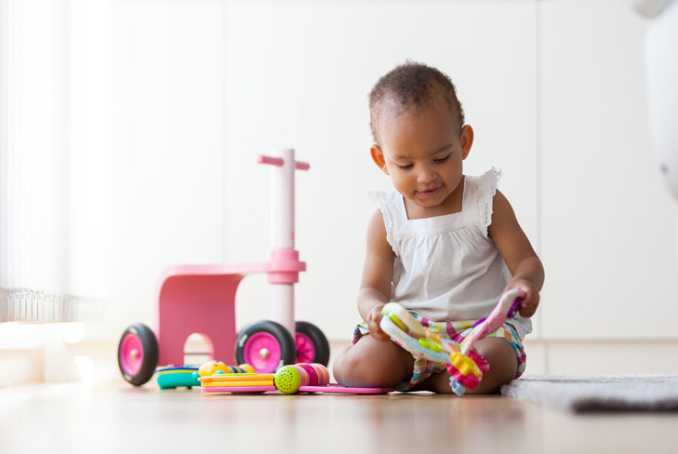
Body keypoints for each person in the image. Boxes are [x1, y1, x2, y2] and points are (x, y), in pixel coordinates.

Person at [332, 62, 545, 394]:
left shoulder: (485, 201)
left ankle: (432, 378)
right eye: (406, 165)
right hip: (413, 333)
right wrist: (374, 311)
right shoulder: (387, 217)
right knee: (365, 368)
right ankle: (363, 362)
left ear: (464, 143)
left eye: (441, 158)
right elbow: (370, 289)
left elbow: (528, 262)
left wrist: (524, 285)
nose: (425, 176)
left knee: (486, 366)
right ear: (381, 161)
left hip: (481, 330)